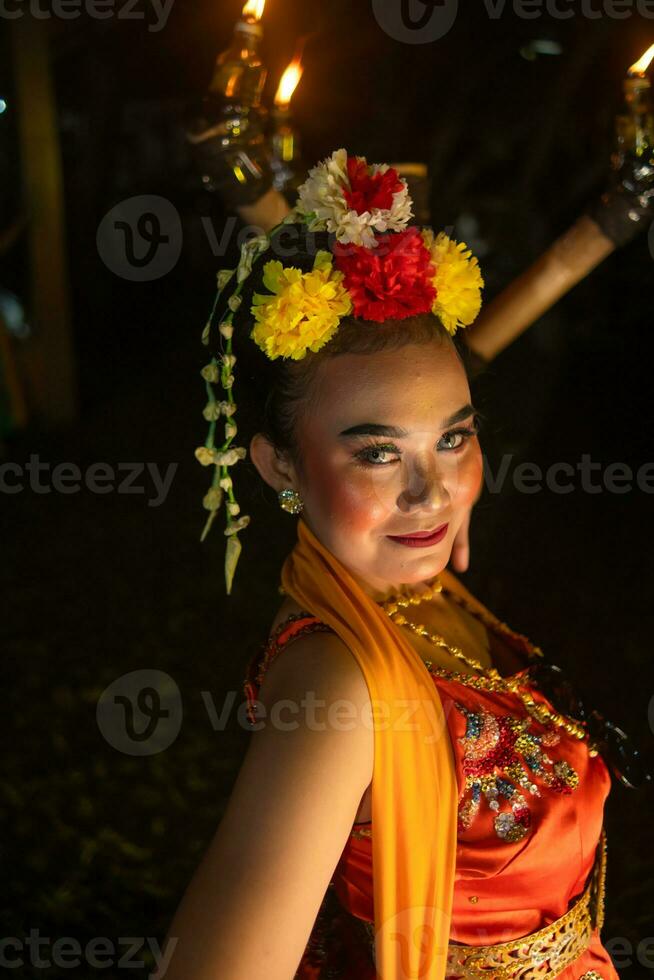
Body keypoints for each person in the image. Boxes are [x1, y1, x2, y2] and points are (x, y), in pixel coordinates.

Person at [159, 149, 619, 980]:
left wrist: (428, 498)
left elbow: (429, 485)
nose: (430, 493)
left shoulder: (421, 581)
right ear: (279, 469)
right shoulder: (339, 686)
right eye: (377, 454)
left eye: (454, 437)